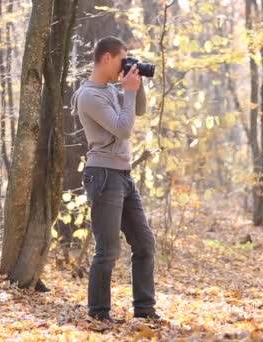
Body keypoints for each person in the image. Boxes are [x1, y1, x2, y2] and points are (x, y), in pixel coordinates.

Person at [71, 36, 159, 322]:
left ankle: (144, 311)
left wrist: (135, 87)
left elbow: (139, 111)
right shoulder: (89, 95)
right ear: (107, 58)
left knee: (144, 243)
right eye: (123, 59)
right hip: (103, 174)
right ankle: (99, 314)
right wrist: (128, 92)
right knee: (108, 250)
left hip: (123, 173)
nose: (126, 64)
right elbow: (123, 128)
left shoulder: (111, 89)